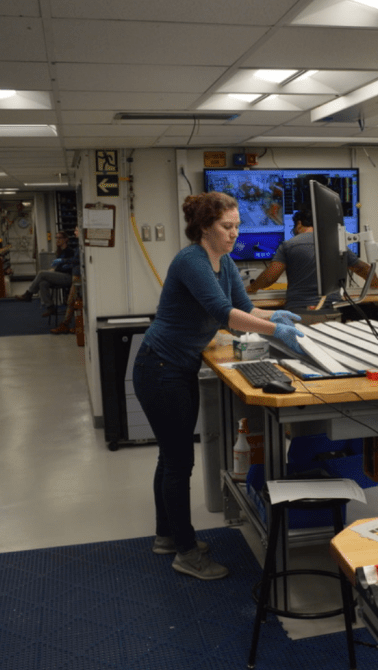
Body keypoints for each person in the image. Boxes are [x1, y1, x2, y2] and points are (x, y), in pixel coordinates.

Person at [132, 191, 304, 581]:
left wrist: (279, 315)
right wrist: (276, 330)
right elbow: (224, 315)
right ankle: (186, 552)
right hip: (160, 369)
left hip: (176, 367)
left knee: (171, 458)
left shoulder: (223, 262)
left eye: (237, 226)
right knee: (178, 462)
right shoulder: (191, 260)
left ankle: (167, 536)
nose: (234, 234)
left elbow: (243, 306)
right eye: (227, 227)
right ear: (205, 226)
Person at [246, 210, 378, 314]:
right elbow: (363, 269)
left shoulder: (288, 245)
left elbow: (270, 277)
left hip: (299, 311)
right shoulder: (336, 244)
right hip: (330, 309)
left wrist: (252, 288)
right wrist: (377, 286)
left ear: (299, 224)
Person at [15, 231, 77, 317]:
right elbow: (60, 266)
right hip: (61, 275)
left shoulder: (69, 251)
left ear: (65, 239)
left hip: (67, 277)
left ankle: (29, 293)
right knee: (43, 283)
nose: (57, 240)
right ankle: (50, 307)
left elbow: (68, 266)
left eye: (59, 238)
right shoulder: (60, 252)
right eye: (56, 238)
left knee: (41, 273)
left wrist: (55, 271)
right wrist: (54, 270)